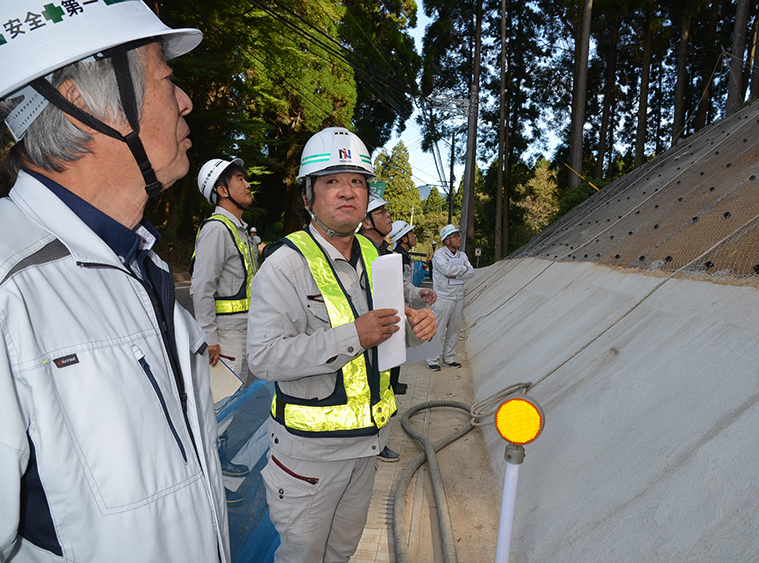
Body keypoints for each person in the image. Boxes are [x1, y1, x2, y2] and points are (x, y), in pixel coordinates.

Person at [0, 2, 229, 561]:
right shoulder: (12, 290)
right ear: (82, 104)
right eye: (167, 79)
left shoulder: (141, 263)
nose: (186, 101)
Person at [247, 126, 436, 562]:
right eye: (331, 181)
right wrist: (355, 335)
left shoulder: (375, 257)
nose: (347, 191)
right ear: (307, 196)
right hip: (309, 457)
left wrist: (416, 326)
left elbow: (388, 331)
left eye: (357, 181)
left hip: (366, 446)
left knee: (342, 554)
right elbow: (264, 357)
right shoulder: (285, 265)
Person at [192, 157, 259, 500]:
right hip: (226, 335)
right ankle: (210, 482)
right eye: (239, 179)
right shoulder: (217, 229)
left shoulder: (238, 230)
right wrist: (209, 337)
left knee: (229, 404)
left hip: (242, 331)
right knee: (221, 406)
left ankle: (219, 462)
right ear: (221, 190)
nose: (247, 184)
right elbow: (200, 287)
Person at [361, 199, 436, 401]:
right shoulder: (355, 252)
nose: (388, 215)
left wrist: (418, 293)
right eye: (380, 211)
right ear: (366, 222)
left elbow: (399, 285)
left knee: (388, 378)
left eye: (386, 210)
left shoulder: (386, 252)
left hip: (390, 325)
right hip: (367, 336)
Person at [426, 224, 475, 372]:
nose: (459, 238)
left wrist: (457, 272)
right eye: (455, 236)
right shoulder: (439, 255)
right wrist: (462, 270)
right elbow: (447, 270)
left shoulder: (462, 255)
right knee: (438, 329)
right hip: (443, 296)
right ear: (447, 240)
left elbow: (471, 272)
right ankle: (432, 359)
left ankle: (448, 358)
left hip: (458, 296)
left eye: (458, 235)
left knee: (454, 330)